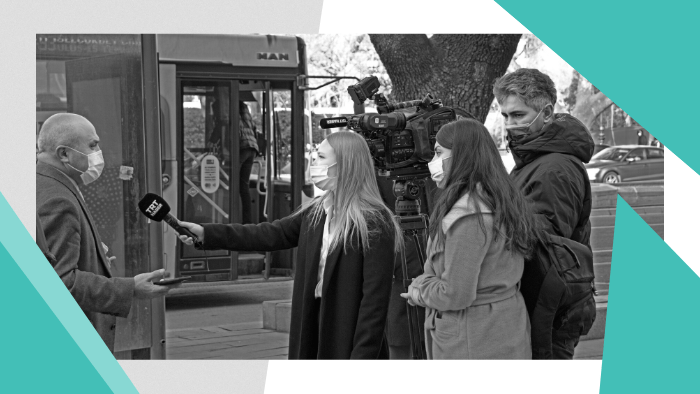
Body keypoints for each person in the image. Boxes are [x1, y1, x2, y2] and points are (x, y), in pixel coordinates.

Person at [178, 131, 403, 359]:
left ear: (345, 164)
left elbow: (374, 304)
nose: (313, 162)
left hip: (348, 334)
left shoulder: (374, 221)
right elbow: (269, 234)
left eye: (322, 157)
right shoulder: (315, 211)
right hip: (311, 324)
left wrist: (361, 361)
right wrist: (207, 233)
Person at [36, 113, 174, 353]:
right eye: (93, 144)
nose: (99, 151)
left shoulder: (46, 184)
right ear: (64, 154)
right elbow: (58, 283)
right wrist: (130, 288)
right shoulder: (57, 198)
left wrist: (95, 262)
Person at [401, 119, 536, 359]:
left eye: (438, 152)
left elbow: (455, 293)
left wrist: (418, 290)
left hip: (473, 337)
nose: (433, 162)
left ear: (462, 156)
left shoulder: (469, 215)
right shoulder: (500, 199)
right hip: (501, 328)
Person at [493, 68, 596, 359]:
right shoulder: (535, 158)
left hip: (549, 309)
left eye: (519, 115)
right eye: (506, 116)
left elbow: (544, 246)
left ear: (547, 113)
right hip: (547, 303)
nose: (510, 125)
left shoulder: (554, 168)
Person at [239, 101, 260, 224]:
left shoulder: (228, 104)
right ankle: (247, 222)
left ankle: (231, 218)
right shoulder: (245, 108)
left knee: (231, 183)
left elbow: (234, 128)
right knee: (243, 186)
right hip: (252, 147)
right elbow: (254, 129)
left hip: (241, 147)